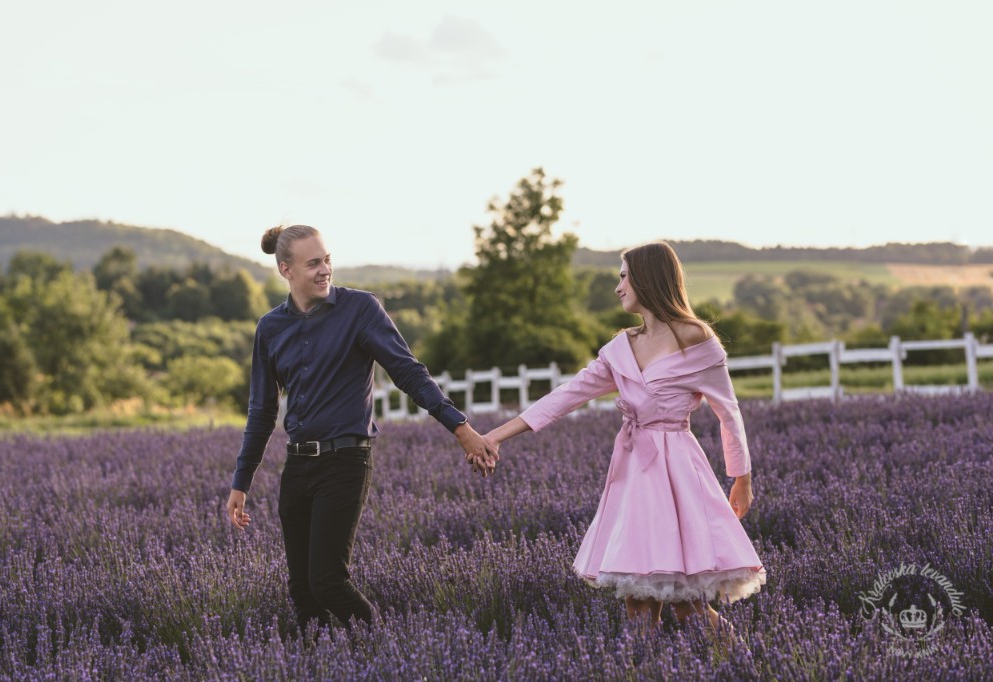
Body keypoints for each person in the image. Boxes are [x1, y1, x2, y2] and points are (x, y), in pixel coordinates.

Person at [478, 241, 765, 644]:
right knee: (637, 604)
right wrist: (495, 435)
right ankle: (640, 669)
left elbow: (728, 413)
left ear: (647, 278)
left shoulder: (696, 339)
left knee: (689, 608)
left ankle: (747, 665)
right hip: (633, 478)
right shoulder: (620, 349)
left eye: (624, 275)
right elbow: (566, 395)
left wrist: (741, 478)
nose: (618, 287)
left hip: (678, 477)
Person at [226, 224, 498, 632]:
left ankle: (388, 655)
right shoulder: (270, 328)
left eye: (327, 260)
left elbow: (409, 373)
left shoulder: (360, 310)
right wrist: (241, 482)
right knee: (302, 591)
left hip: (347, 460)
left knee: (328, 583)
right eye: (313, 263)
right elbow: (262, 410)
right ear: (286, 270)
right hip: (297, 466)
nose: (324, 270)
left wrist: (460, 428)